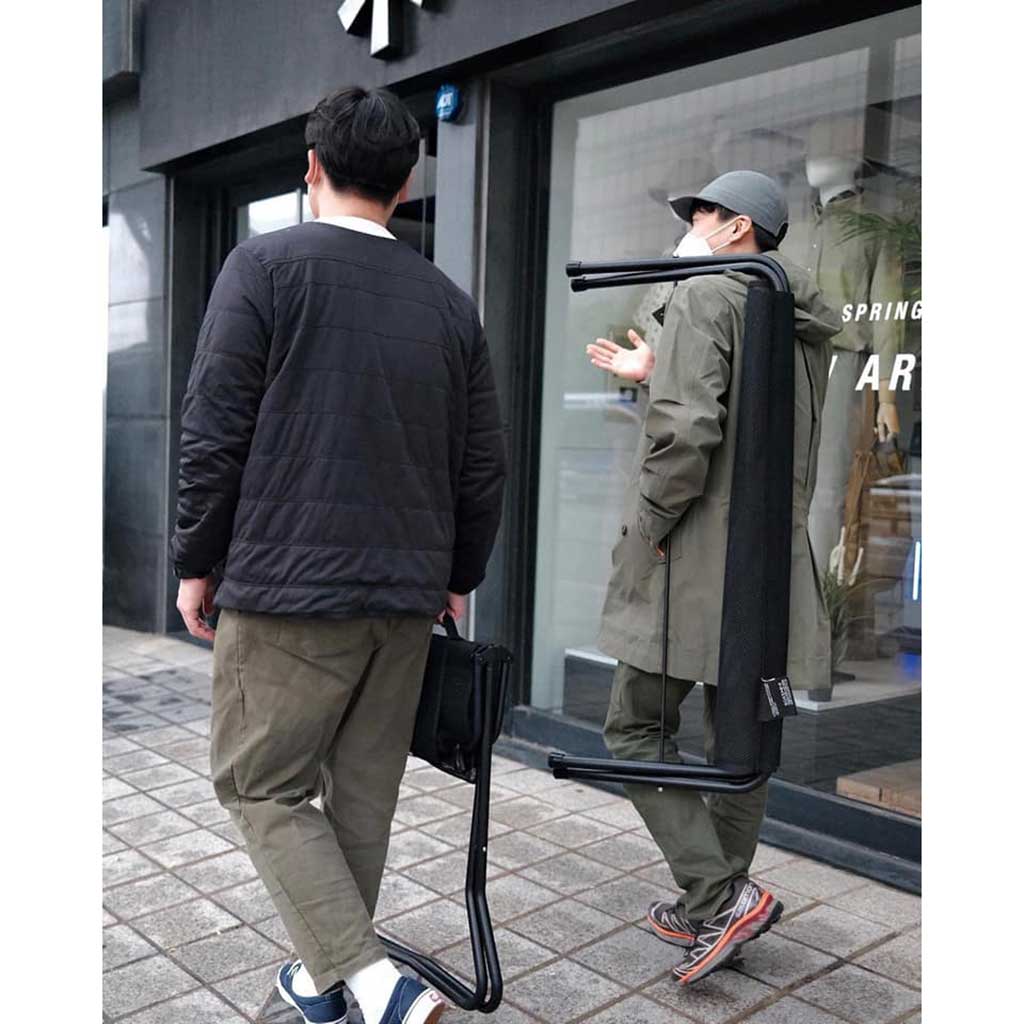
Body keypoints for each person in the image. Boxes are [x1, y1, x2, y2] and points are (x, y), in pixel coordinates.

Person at [169, 86, 507, 1024]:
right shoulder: (448, 303)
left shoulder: (263, 268)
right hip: (404, 598)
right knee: (362, 797)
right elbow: (484, 463)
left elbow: (213, 432)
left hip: (287, 589)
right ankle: (323, 984)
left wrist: (196, 562)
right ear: (406, 183)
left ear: (311, 168)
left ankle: (373, 982)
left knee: (258, 784)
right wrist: (457, 577)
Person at [587, 170, 842, 984]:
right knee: (741, 742)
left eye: (701, 213)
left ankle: (719, 896)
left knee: (633, 728)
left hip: (692, 562)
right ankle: (719, 905)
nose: (689, 225)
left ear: (738, 229)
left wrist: (647, 527)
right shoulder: (793, 315)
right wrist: (658, 367)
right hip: (766, 564)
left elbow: (688, 432)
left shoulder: (706, 296)